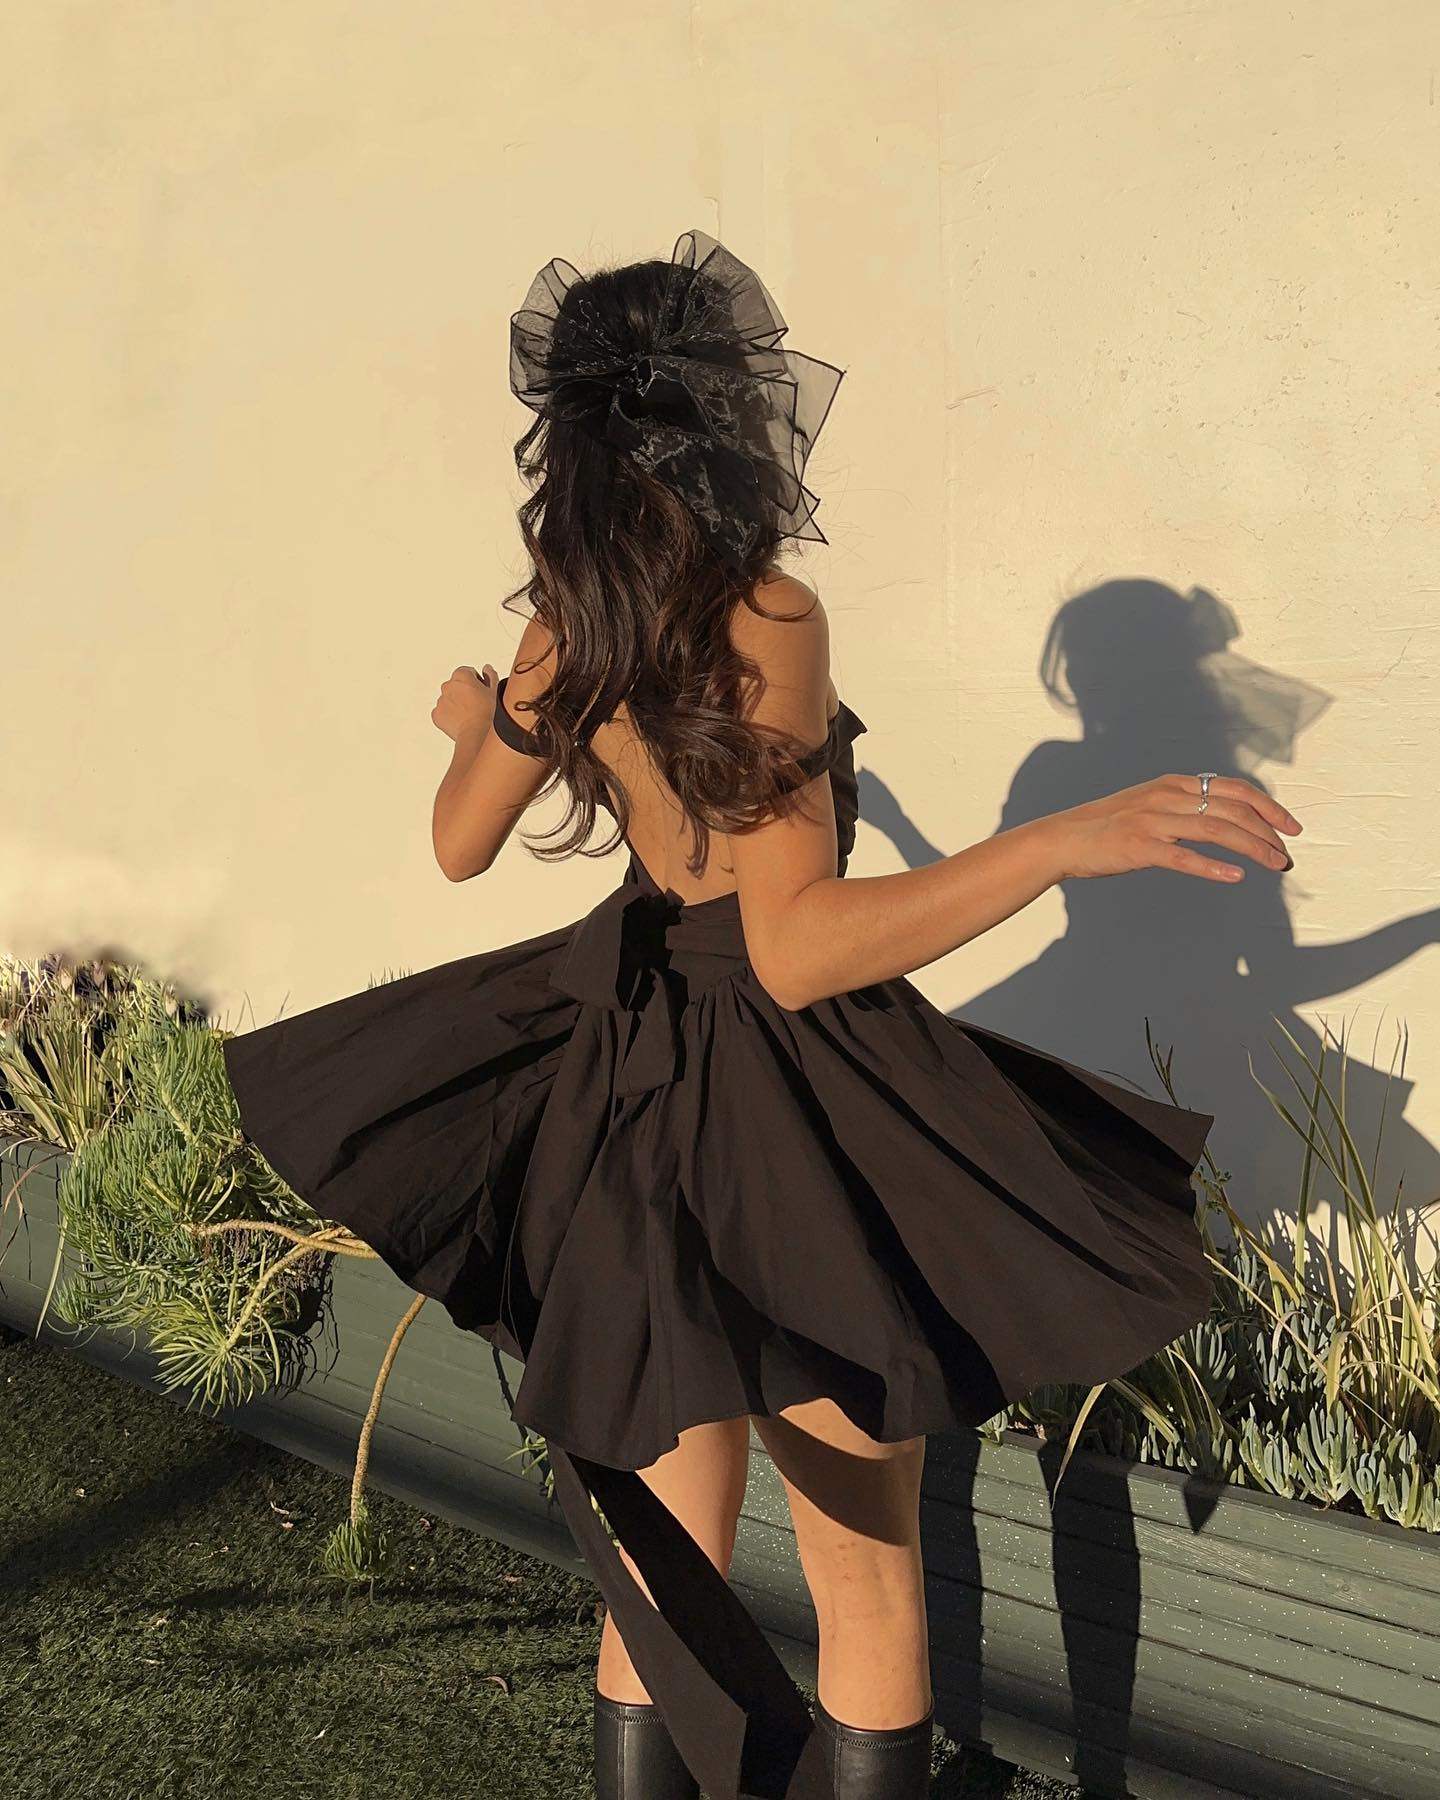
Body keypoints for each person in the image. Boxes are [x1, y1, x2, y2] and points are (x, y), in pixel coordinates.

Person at [221, 229, 1302, 1800]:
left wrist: (492, 719)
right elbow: (792, 949)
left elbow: (459, 843)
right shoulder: (770, 618)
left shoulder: (566, 625)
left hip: (632, 1095)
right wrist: (1063, 840)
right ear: (723, 419)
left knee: (667, 1575)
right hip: (785, 1103)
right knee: (866, 1587)